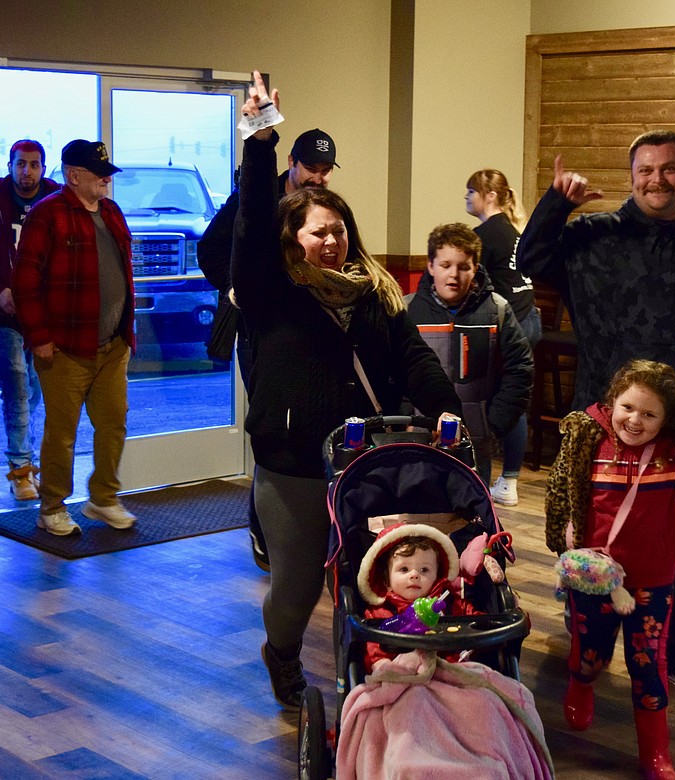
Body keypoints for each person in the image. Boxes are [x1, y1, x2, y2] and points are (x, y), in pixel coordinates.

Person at [516, 130, 675, 706]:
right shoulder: (590, 235)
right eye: (646, 170)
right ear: (631, 175)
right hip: (605, 419)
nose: (657, 179)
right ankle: (588, 637)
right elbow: (527, 260)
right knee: (592, 530)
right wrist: (557, 201)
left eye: (670, 169)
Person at [233, 71, 461, 711]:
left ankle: (371, 681)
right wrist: (259, 141)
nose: (330, 240)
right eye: (316, 231)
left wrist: (451, 417)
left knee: (372, 578)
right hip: (294, 465)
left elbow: (414, 360)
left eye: (338, 230)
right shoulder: (270, 292)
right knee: (299, 584)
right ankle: (281, 652)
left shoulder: (376, 294)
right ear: (293, 241)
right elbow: (250, 225)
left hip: (368, 460)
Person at [545, 359, 675, 780]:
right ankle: (581, 683)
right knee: (589, 650)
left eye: (650, 414)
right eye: (628, 407)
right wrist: (564, 540)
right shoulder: (587, 439)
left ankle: (656, 753)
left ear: (667, 420)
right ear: (612, 401)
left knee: (648, 663)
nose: (635, 420)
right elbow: (559, 493)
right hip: (594, 573)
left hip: (653, 576)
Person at [198, 126, 339, 573]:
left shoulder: (322, 207)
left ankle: (317, 530)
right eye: (311, 169)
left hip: (307, 328)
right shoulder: (256, 198)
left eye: (326, 171)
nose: (318, 178)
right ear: (292, 164)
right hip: (259, 329)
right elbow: (210, 249)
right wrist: (242, 288)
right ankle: (263, 530)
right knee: (271, 427)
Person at [13, 139, 137, 537]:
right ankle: (51, 507)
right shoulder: (48, 215)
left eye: (106, 173)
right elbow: (25, 281)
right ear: (73, 175)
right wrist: (39, 338)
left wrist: (125, 334)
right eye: (98, 174)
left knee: (114, 423)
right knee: (62, 434)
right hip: (64, 348)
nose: (106, 180)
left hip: (112, 347)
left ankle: (103, 499)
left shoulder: (112, 212)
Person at [0, 140, 60, 501]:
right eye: (21, 164)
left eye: (34, 165)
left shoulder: (55, 197)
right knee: (17, 384)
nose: (27, 172)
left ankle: (40, 465)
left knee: (36, 388)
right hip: (2, 311)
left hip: (44, 312)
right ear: (10, 165)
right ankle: (20, 470)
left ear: (43, 168)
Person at [404, 223, 532, 488]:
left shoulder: (497, 310)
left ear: (475, 268)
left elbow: (520, 369)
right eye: (445, 265)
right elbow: (390, 372)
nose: (454, 275)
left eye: (464, 267)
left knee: (473, 519)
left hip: (475, 442)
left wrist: (493, 425)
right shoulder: (407, 311)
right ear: (430, 266)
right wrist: (404, 418)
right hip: (418, 439)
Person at [465, 169, 538, 507]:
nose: (466, 198)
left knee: (507, 400)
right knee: (514, 397)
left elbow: (476, 283)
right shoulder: (513, 230)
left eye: (470, 192)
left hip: (513, 322)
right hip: (530, 317)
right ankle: (507, 478)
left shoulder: (483, 235)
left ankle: (505, 481)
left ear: (488, 196)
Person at [356, 524, 479, 672]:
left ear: (437, 575)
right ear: (387, 580)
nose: (414, 575)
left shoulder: (449, 603)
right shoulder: (379, 613)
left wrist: (491, 625)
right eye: (404, 569)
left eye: (424, 570)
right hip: (404, 676)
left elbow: (477, 622)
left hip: (450, 672)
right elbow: (374, 651)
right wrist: (383, 666)